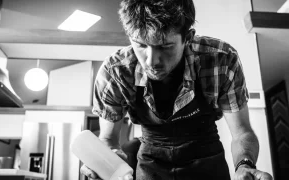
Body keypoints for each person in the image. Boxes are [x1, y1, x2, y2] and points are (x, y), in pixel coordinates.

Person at [81, 0, 273, 179]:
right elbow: (108, 138)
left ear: (187, 37)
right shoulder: (115, 72)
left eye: (165, 46)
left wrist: (244, 165)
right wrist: (107, 160)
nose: (151, 61)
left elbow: (242, 132)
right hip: (150, 165)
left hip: (207, 161)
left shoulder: (221, 60)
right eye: (140, 45)